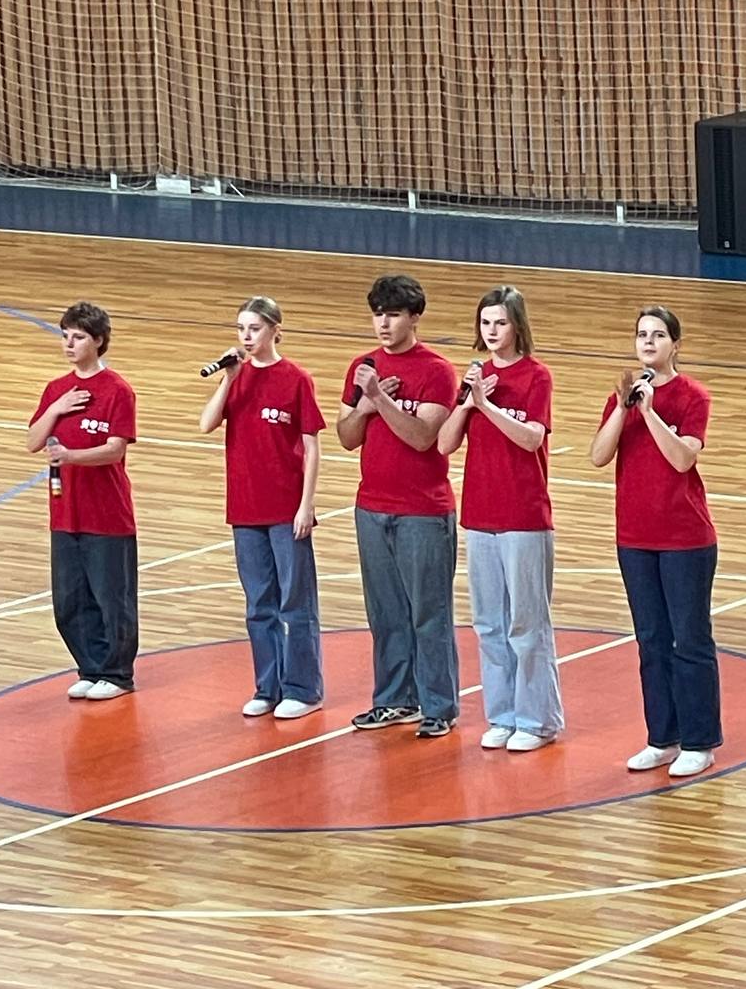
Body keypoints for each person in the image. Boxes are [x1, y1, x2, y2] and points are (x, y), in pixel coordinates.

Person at [589, 304, 721, 778]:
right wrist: (624, 409)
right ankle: (662, 737)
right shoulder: (623, 397)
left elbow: (682, 458)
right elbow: (598, 456)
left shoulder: (692, 396)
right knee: (651, 640)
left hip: (685, 538)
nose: (648, 342)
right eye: (642, 334)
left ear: (675, 344)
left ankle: (700, 741)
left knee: (690, 639)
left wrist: (649, 413)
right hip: (635, 537)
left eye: (658, 335)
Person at [438, 286, 563, 752]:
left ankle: (537, 720)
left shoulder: (536, 377)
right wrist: (468, 402)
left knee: (527, 625)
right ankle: (502, 715)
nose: (492, 331)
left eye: (500, 323)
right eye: (485, 323)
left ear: (517, 326)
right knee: (489, 623)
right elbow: (445, 444)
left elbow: (531, 439)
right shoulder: (475, 379)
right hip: (480, 514)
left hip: (523, 516)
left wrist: (488, 407)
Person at [337, 274, 459, 739]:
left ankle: (439, 706)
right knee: (385, 613)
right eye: (377, 315)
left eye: (392, 315)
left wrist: (378, 398)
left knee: (428, 613)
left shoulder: (436, 371)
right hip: (371, 507)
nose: (383, 324)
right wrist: (365, 407)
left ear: (414, 318)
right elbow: (347, 436)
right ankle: (394, 700)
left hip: (423, 512)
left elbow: (423, 436)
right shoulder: (362, 366)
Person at [200, 296, 325, 720]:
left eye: (254, 328)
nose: (246, 337)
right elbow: (206, 423)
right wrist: (228, 379)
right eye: (241, 329)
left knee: (295, 604)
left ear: (275, 330)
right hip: (245, 509)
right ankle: (267, 687)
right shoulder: (238, 377)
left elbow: (311, 447)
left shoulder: (296, 379)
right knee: (259, 605)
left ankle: (304, 689)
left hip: (286, 508)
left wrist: (306, 505)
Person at [27, 302, 139, 701]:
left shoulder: (118, 391)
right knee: (70, 600)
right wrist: (56, 409)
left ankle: (118, 674)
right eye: (65, 336)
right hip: (65, 513)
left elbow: (114, 449)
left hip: (106, 515)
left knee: (112, 599)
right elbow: (33, 440)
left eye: (78, 337)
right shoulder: (56, 390)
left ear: (99, 341)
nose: (69, 344)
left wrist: (71, 456)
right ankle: (90, 668)